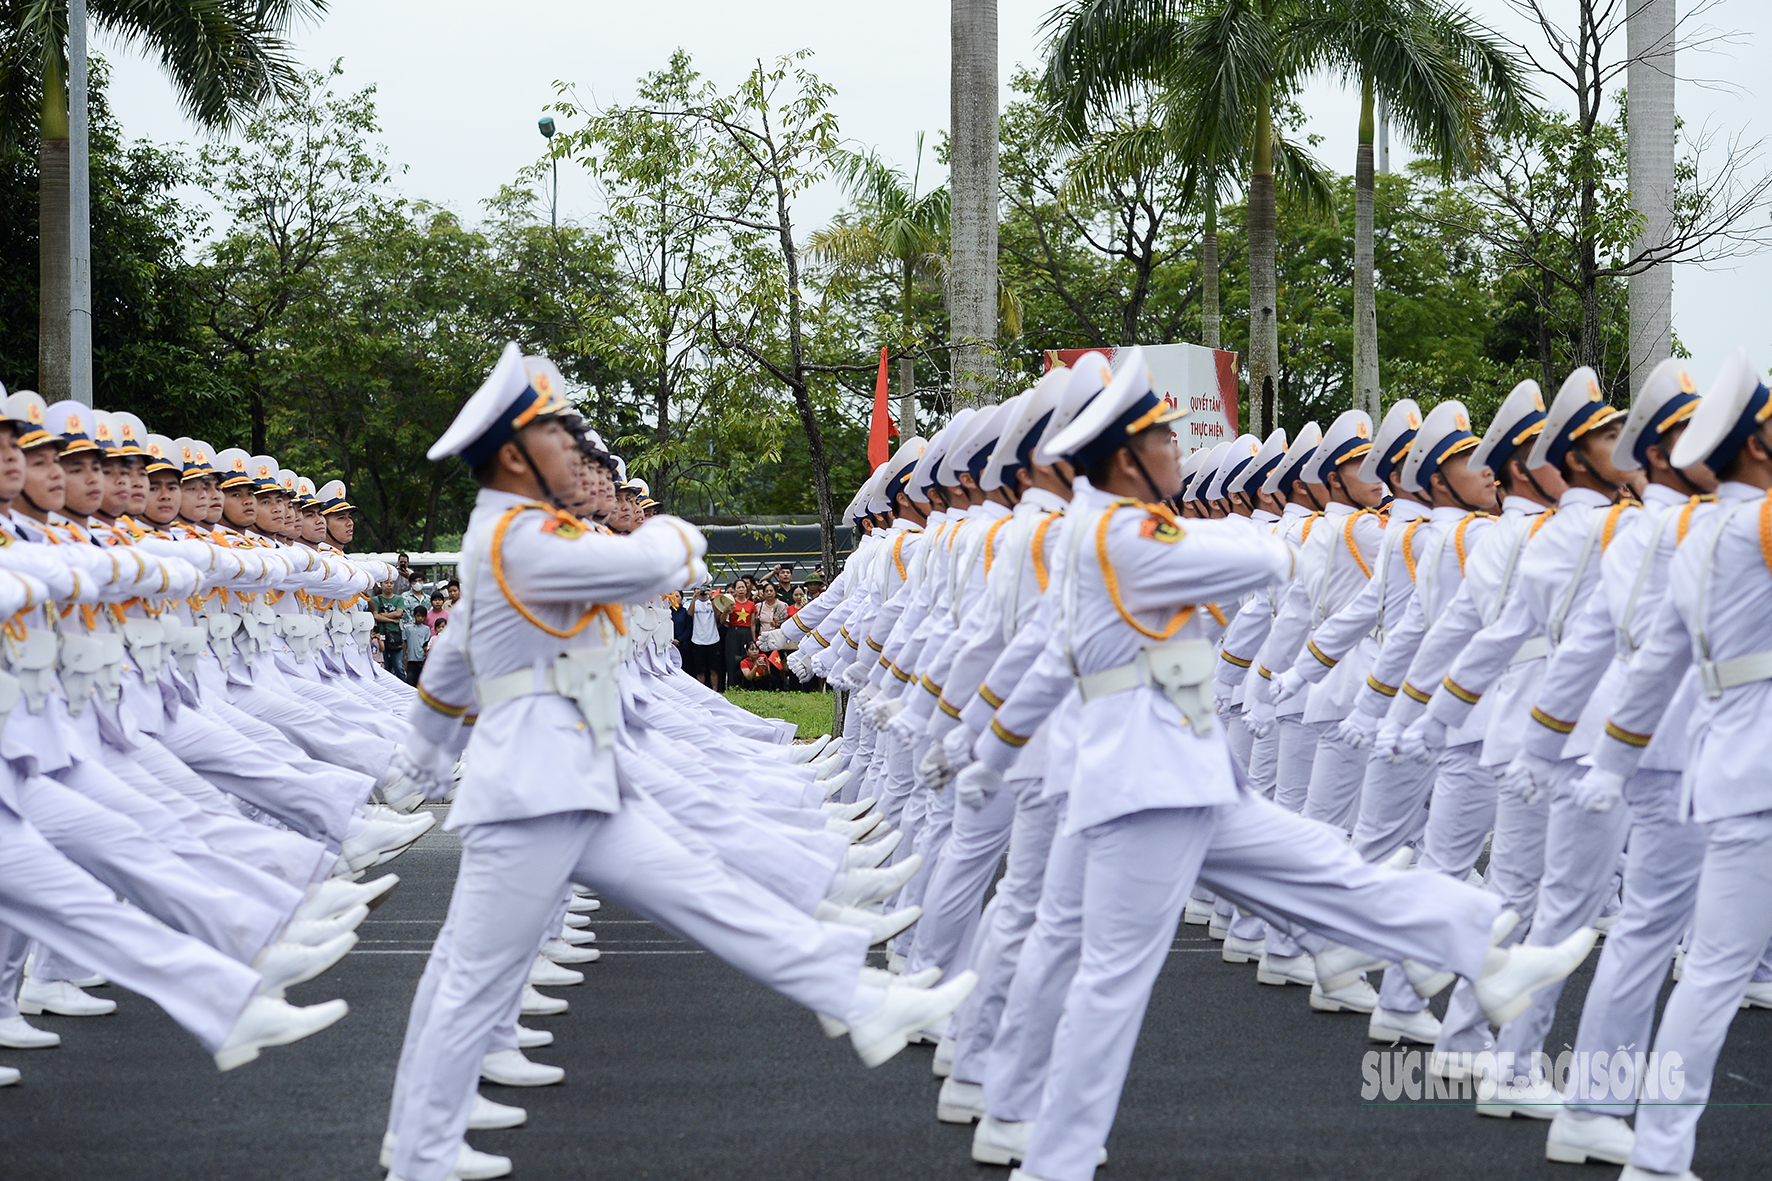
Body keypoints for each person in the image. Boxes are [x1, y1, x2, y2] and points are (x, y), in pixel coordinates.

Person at [687, 585, 725, 691]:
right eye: (699, 588)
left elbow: (718, 614)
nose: (703, 591)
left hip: (713, 639)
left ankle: (715, 691)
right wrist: (694, 597)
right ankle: (702, 692)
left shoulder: (713, 601)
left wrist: (711, 597)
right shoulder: (694, 602)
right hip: (698, 640)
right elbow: (689, 613)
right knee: (700, 671)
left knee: (714, 670)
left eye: (705, 588)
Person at [370, 579, 408, 680]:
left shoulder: (399, 599)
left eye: (391, 583)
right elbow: (376, 616)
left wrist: (383, 615)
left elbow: (398, 613)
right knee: (383, 666)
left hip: (395, 636)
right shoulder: (376, 600)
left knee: (399, 667)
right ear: (381, 584)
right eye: (386, 583)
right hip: (380, 637)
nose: (389, 585)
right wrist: (393, 620)